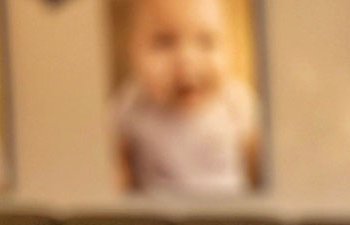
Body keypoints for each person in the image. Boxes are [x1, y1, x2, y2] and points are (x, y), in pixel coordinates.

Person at [111, 0, 261, 194]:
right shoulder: (133, 103)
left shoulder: (235, 101)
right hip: (160, 218)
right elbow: (114, 163)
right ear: (132, 51)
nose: (186, 60)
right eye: (164, 42)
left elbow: (262, 163)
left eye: (206, 41)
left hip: (227, 217)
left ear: (232, 46)